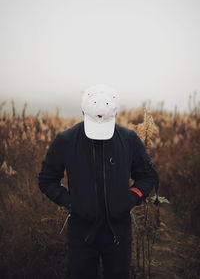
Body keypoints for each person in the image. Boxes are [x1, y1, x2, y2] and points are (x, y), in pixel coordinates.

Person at [37, 84, 158, 279]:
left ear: (116, 113)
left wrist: (131, 198)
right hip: (81, 232)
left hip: (119, 232)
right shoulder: (66, 140)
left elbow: (147, 176)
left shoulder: (129, 139)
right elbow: (46, 180)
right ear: (83, 111)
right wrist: (71, 202)